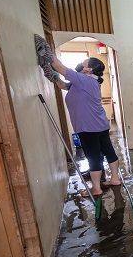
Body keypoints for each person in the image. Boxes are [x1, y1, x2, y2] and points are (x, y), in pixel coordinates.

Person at [48, 55, 122, 197]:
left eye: (83, 64)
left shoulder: (83, 79)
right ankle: (115, 179)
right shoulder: (88, 81)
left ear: (89, 69)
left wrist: (47, 55)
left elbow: (59, 67)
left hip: (88, 127)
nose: (80, 65)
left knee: (93, 157)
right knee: (108, 151)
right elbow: (63, 85)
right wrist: (55, 76)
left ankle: (96, 189)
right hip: (99, 124)